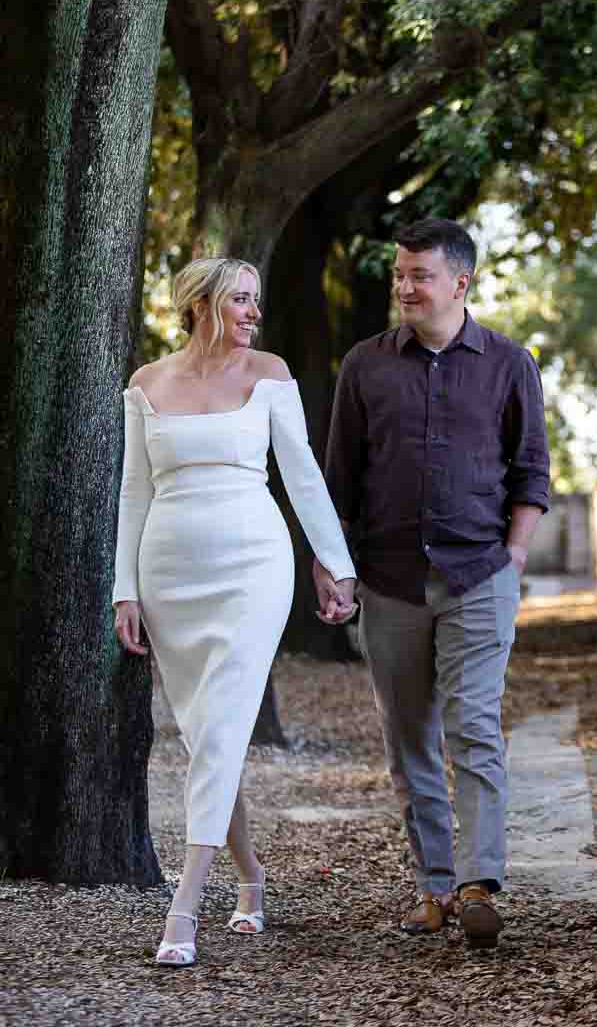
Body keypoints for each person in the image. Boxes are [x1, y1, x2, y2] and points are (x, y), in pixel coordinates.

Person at [113, 257, 356, 967]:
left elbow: (303, 475)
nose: (254, 312)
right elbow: (134, 492)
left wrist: (337, 564)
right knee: (205, 741)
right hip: (169, 576)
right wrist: (124, 589)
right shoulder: (146, 384)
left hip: (253, 567)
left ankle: (183, 907)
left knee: (220, 732)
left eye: (257, 301)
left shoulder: (270, 374)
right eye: (241, 300)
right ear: (201, 303)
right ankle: (250, 879)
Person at [320, 218, 549, 950]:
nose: (405, 287)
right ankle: (434, 887)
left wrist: (514, 555)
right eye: (399, 274)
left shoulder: (510, 364)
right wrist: (335, 568)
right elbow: (340, 480)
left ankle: (480, 884)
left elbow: (531, 471)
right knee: (408, 738)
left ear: (461, 281)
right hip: (388, 582)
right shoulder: (364, 364)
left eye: (420, 275)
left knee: (473, 726)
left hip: (479, 575)